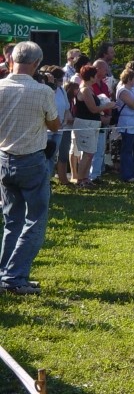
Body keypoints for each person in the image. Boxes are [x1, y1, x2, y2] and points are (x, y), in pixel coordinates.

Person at [0, 41, 60, 295]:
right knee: (34, 220)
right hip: (31, 160)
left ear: (12, 59)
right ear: (36, 63)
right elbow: (55, 125)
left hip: (4, 159)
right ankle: (14, 277)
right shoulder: (43, 91)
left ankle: (7, 274)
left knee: (11, 220)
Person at [72, 65, 115, 187]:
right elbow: (93, 108)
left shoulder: (90, 89)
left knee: (90, 152)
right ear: (91, 77)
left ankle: (86, 178)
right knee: (87, 153)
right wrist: (108, 106)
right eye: (95, 75)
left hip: (93, 124)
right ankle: (80, 180)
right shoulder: (85, 90)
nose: (98, 77)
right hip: (85, 124)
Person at [116, 68, 134, 182]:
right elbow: (133, 105)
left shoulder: (133, 90)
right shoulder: (123, 91)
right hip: (128, 125)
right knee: (127, 150)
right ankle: (127, 175)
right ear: (129, 79)